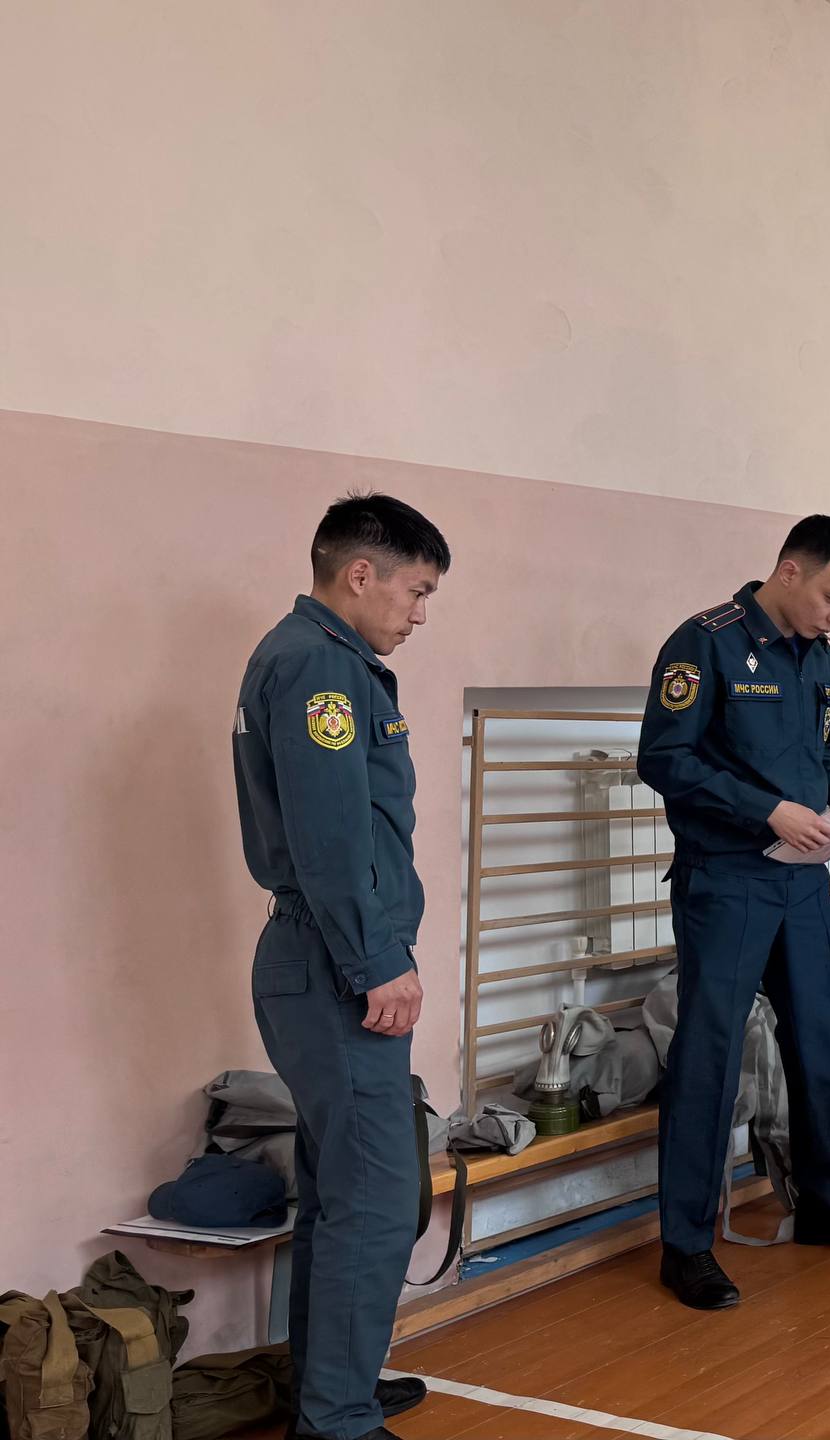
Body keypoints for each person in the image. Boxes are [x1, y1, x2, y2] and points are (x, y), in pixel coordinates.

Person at [638, 515, 830, 1312]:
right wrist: (766, 810)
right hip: (727, 877)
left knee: (819, 1038)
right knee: (710, 1055)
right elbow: (663, 758)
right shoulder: (706, 642)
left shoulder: (817, 653)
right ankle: (686, 1244)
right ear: (790, 571)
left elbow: (823, 754)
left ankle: (825, 1200)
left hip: (802, 880)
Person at [232, 493, 448, 1439]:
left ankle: (329, 1384)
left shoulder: (316, 657)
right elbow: (329, 839)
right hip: (334, 962)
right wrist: (376, 963)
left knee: (340, 1194)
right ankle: (338, 1419)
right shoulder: (320, 666)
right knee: (376, 1201)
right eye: (416, 590)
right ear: (361, 574)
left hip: (321, 955)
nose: (420, 613)